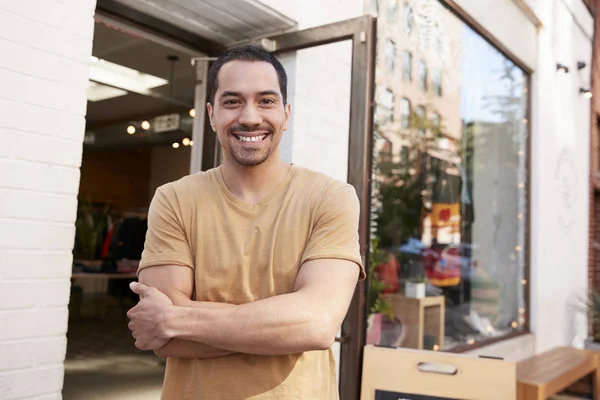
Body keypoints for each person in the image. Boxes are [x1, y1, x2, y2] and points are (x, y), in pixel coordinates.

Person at [126, 44, 365, 399]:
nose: (250, 117)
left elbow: (316, 324)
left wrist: (178, 317)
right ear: (211, 114)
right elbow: (164, 341)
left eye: (266, 101)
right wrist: (277, 328)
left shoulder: (329, 197)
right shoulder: (174, 199)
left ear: (286, 113)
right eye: (232, 101)